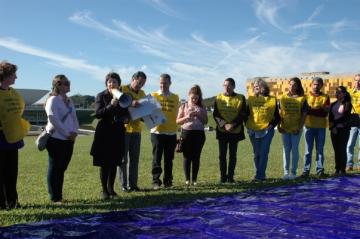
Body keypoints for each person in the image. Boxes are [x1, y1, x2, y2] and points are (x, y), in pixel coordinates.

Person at [90, 72, 128, 199]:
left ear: (119, 84)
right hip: (104, 132)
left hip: (117, 132)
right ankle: (104, 190)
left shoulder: (123, 97)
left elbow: (125, 113)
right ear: (106, 84)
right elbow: (98, 114)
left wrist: (126, 118)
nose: (111, 84)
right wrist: (111, 105)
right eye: (109, 82)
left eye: (114, 82)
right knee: (105, 163)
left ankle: (111, 189)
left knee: (115, 162)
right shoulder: (101, 96)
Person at [0, 61, 30, 209]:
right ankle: (1, 203)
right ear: (5, 76)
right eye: (13, 75)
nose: (16, 77)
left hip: (11, 138)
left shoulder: (12, 92)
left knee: (12, 172)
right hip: (0, 137)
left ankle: (13, 201)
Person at [44, 74, 79, 204]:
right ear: (57, 85)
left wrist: (75, 132)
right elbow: (53, 119)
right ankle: (55, 197)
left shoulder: (70, 101)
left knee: (62, 168)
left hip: (69, 139)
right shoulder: (53, 100)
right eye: (65, 83)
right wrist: (66, 133)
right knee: (55, 168)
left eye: (68, 82)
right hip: (56, 139)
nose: (68, 85)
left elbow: (74, 117)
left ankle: (59, 195)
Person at [213, 78, 247, 183]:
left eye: (229, 85)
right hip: (222, 131)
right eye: (224, 85)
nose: (226, 87)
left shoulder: (241, 98)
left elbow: (243, 114)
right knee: (222, 156)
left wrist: (232, 125)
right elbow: (216, 114)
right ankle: (223, 178)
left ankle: (231, 177)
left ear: (233, 86)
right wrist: (224, 125)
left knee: (233, 155)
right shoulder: (218, 97)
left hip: (235, 131)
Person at [246, 78, 279, 181]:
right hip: (253, 130)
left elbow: (277, 116)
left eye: (259, 86)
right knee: (257, 153)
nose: (256, 88)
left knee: (264, 153)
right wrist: (247, 126)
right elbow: (245, 115)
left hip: (267, 131)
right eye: (255, 86)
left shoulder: (272, 99)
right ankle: (258, 173)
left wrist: (272, 125)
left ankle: (260, 175)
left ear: (264, 87)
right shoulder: (251, 99)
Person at [119, 71, 147, 192]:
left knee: (135, 159)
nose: (140, 85)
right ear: (133, 79)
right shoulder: (122, 89)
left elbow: (143, 112)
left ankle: (133, 185)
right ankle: (124, 185)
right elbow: (119, 105)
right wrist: (131, 103)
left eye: (143, 84)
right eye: (139, 82)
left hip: (137, 130)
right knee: (123, 159)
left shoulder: (143, 93)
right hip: (124, 130)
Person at [150, 73, 179, 190]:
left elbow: (178, 113)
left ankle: (168, 181)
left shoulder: (176, 97)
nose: (163, 85)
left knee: (169, 159)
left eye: (165, 83)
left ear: (170, 83)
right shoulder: (153, 95)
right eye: (161, 83)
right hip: (157, 132)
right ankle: (156, 181)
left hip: (171, 132)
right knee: (157, 158)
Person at [176, 85, 208, 186]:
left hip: (199, 134)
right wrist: (186, 117)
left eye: (196, 98)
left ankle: (194, 179)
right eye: (192, 97)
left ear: (199, 97)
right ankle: (187, 179)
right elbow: (177, 121)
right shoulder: (183, 106)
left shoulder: (202, 107)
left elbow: (205, 121)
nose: (194, 100)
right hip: (186, 133)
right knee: (187, 157)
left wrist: (199, 115)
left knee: (196, 157)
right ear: (188, 95)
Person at [278, 77, 308, 179]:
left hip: (296, 129)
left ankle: (293, 173)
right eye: (290, 84)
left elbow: (304, 115)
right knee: (286, 150)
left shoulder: (302, 98)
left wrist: (299, 128)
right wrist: (279, 126)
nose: (291, 86)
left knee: (295, 149)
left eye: (294, 84)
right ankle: (286, 172)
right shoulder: (283, 97)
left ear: (298, 86)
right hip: (285, 128)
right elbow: (279, 113)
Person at [301, 77, 330, 177]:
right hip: (308, 126)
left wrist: (311, 110)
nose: (316, 86)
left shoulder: (326, 97)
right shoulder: (305, 97)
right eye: (314, 84)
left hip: (321, 127)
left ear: (321, 86)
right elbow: (305, 111)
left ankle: (320, 170)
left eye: (318, 84)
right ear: (311, 85)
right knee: (308, 151)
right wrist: (319, 109)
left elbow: (325, 113)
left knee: (320, 150)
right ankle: (306, 171)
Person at [329, 86, 352, 175]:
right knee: (336, 150)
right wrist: (332, 127)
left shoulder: (347, 104)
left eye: (339, 92)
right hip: (334, 130)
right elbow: (330, 118)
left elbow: (345, 117)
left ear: (344, 93)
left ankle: (342, 169)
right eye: (336, 92)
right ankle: (337, 169)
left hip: (343, 130)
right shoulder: (333, 104)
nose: (337, 94)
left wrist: (334, 124)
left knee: (342, 149)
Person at [346, 74, 360, 171]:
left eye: (359, 81)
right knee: (350, 144)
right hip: (353, 121)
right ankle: (349, 164)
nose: (358, 82)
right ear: (353, 81)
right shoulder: (349, 93)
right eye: (356, 80)